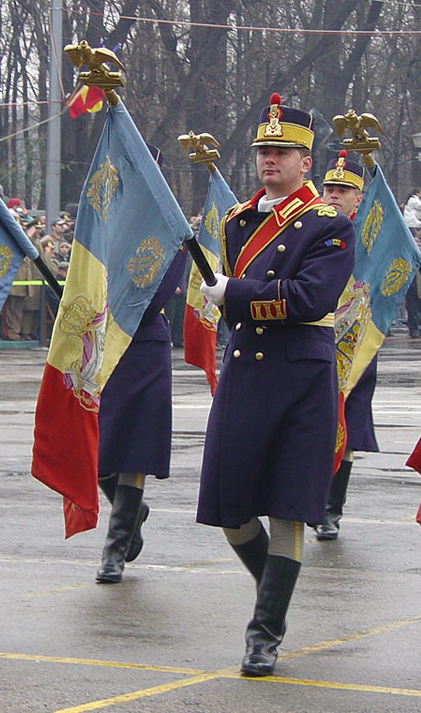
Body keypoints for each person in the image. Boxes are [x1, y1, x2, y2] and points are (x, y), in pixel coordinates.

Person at [196, 93, 354, 676]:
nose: (270, 158)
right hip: (246, 371)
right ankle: (276, 593)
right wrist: (230, 298)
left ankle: (264, 632)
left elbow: (311, 298)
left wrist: (234, 294)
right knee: (230, 507)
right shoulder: (237, 220)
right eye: (264, 150)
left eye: (283, 151)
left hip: (299, 373)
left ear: (305, 162)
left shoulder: (330, 225)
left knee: (287, 507)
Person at [95, 145, 189, 584]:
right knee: (98, 449)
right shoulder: (99, 222)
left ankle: (114, 549)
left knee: (132, 449)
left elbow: (157, 294)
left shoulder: (170, 226)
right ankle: (132, 511)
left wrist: (112, 298)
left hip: (142, 344)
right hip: (99, 340)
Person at [316, 150, 373, 541]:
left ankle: (331, 509)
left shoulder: (370, 236)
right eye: (329, 189)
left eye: (343, 190)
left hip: (356, 342)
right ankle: (308, 499)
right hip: (315, 337)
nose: (334, 195)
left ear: (358, 197)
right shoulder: (309, 228)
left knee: (345, 427)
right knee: (311, 424)